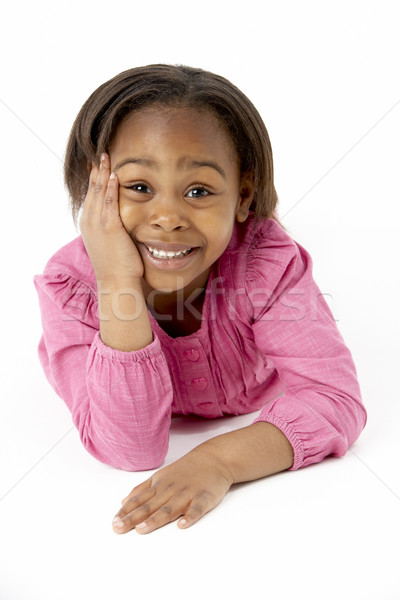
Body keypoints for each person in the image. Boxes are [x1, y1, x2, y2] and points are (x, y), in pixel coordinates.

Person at [33, 64, 367, 535]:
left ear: (242, 195)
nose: (168, 217)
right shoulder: (72, 288)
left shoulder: (265, 264)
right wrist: (115, 281)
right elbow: (132, 451)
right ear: (92, 193)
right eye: (139, 187)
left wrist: (221, 460)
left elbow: (334, 399)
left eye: (199, 191)